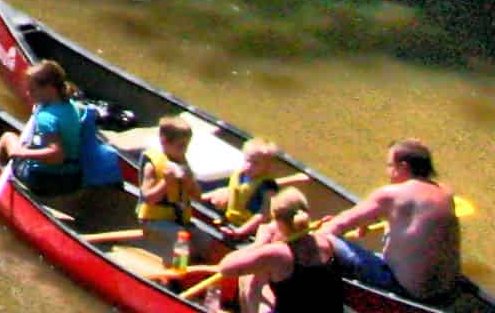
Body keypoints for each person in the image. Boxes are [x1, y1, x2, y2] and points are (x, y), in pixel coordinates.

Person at [318, 139, 462, 299]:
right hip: (448, 292)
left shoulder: (392, 194)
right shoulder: (445, 193)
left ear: (403, 167)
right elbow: (408, 225)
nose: (388, 172)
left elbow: (337, 225)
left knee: (322, 241)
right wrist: (367, 221)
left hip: (407, 291)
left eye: (390, 166)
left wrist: (325, 230)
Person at [187, 188, 350, 313]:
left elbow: (226, 268)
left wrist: (260, 243)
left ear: (278, 222)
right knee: (262, 268)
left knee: (249, 275)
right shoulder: (325, 239)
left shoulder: (278, 253)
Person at [0, 59, 111, 197]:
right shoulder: (71, 106)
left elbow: (56, 155)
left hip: (43, 179)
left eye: (32, 90)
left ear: (50, 89)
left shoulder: (46, 118)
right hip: (72, 179)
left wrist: (21, 152)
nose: (29, 94)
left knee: (7, 138)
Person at [134, 114, 201, 267]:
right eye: (181, 146)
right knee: (180, 238)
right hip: (152, 220)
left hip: (176, 219)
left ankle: (192, 269)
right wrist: (166, 182)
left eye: (187, 146)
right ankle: (175, 274)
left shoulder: (182, 161)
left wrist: (190, 181)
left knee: (205, 240)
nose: (185, 150)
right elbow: (148, 198)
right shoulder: (152, 166)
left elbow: (198, 197)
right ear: (164, 142)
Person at [215, 136, 286, 237]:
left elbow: (263, 215)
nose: (249, 166)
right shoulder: (240, 175)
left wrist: (241, 231)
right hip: (230, 219)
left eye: (256, 164)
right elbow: (232, 192)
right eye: (247, 160)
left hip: (250, 231)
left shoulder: (267, 186)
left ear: (268, 166)